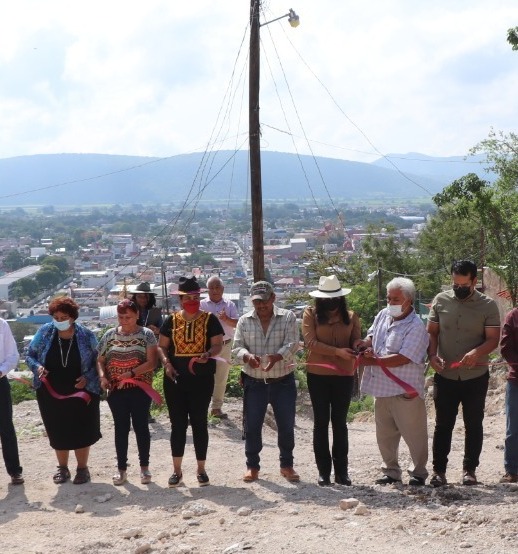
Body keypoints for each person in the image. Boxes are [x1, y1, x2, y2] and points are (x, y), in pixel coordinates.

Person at [427, 260, 500, 487]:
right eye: (455, 284)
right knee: (443, 425)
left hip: (475, 376)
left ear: (474, 282)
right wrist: (432, 356)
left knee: (473, 423)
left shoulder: (487, 305)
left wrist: (476, 353)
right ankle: (439, 471)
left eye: (464, 284)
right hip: (446, 374)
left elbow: (492, 339)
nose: (459, 288)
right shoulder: (441, 301)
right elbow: (432, 334)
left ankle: (470, 470)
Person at [359, 277, 429, 486]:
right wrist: (364, 345)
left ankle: (418, 473)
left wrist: (374, 359)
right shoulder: (383, 315)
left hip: (404, 390)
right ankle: (391, 471)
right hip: (381, 387)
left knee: (414, 435)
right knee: (385, 435)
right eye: (389, 298)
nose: (391, 303)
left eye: (395, 299)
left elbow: (404, 357)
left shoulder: (416, 327)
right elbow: (372, 334)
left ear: (408, 300)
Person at [26, 297, 100, 485]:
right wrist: (38, 368)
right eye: (56, 317)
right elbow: (30, 356)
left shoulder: (86, 335)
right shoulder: (44, 332)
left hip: (81, 390)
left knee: (81, 428)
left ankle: (82, 469)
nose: (60, 321)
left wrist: (89, 378)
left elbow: (99, 361)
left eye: (64, 317)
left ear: (73, 317)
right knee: (57, 429)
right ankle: (62, 468)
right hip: (51, 391)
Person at [158, 276, 223, 487]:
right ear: (181, 299)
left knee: (199, 423)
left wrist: (207, 353)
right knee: (177, 425)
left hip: (202, 379)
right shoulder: (171, 320)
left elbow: (217, 345)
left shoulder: (210, 319)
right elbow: (162, 346)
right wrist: (167, 363)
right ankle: (176, 471)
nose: (192, 300)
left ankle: (201, 470)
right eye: (188, 297)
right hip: (175, 379)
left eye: (195, 296)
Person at [233, 280, 300, 483]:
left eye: (264, 301)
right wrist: (247, 357)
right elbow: (236, 348)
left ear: (273, 298)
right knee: (252, 426)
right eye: (256, 302)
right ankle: (252, 466)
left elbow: (293, 343)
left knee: (286, 426)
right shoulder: (244, 321)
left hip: (283, 382)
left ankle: (286, 465)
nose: (260, 306)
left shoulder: (287, 317)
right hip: (254, 383)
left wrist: (277, 357)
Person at [302, 275, 360, 486]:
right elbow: (310, 343)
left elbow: (355, 339)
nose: (331, 303)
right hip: (318, 375)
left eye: (335, 299)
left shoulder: (352, 316)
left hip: (344, 375)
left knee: (340, 423)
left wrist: (358, 346)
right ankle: (323, 472)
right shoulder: (310, 314)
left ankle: (342, 472)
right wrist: (337, 352)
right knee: (320, 422)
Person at [97, 299, 158, 486]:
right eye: (121, 317)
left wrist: (130, 374)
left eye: (128, 317)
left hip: (139, 389)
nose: (124, 321)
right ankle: (121, 469)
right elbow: (100, 360)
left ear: (137, 315)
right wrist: (102, 377)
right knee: (120, 429)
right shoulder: (109, 335)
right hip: (116, 391)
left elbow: (151, 362)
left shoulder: (146, 335)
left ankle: (144, 468)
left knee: (141, 427)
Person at [201, 275, 239, 419]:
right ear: (207, 290)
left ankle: (216, 408)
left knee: (221, 378)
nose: (215, 290)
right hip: (206, 347)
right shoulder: (202, 305)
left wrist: (226, 319)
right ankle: (202, 407)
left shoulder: (229, 305)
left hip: (225, 345)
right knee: (204, 377)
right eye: (212, 287)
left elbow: (237, 323)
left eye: (217, 287)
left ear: (222, 289)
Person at [131, 281, 163, 423]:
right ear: (135, 298)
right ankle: (134, 412)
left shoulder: (155, 311)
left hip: (149, 350)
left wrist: (155, 330)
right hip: (133, 349)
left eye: (145, 297)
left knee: (147, 381)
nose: (143, 299)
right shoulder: (129, 310)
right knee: (133, 381)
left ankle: (146, 412)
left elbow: (162, 329)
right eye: (140, 297)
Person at [0, 318, 24, 485]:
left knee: (6, 427)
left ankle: (15, 471)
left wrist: (0, 371)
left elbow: (12, 355)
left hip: (0, 381)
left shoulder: (2, 325)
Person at [500, 307, 518, 483]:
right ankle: (512, 470)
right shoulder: (513, 316)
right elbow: (506, 348)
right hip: (516, 380)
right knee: (514, 428)